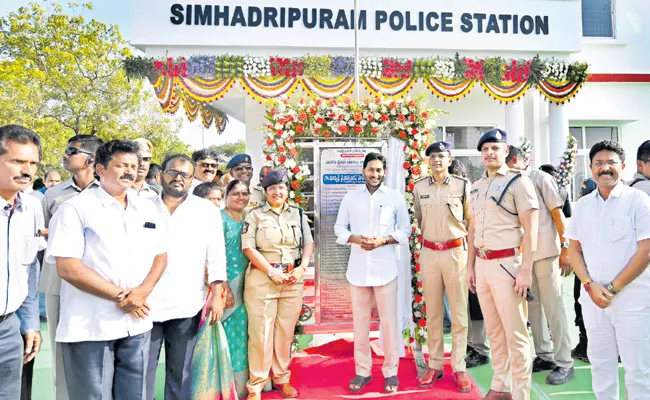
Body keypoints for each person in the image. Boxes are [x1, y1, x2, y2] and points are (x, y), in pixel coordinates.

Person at [46, 140, 168, 399]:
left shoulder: (147, 206)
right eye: (121, 165)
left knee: (134, 395)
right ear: (100, 169)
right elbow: (68, 268)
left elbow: (161, 255)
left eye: (133, 166)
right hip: (92, 324)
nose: (129, 172)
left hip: (137, 324)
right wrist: (122, 297)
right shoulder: (75, 208)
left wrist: (141, 293)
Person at [565, 140, 650, 400]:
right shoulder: (582, 206)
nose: (605, 168)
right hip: (593, 300)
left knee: (638, 372)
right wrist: (589, 285)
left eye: (611, 162)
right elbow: (574, 249)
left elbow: (646, 250)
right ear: (591, 168)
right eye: (599, 163)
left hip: (632, 300)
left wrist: (612, 288)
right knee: (601, 367)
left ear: (622, 167)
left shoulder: (638, 201)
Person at [466, 129, 539, 400]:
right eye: (485, 149)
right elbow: (472, 229)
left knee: (516, 334)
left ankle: (521, 394)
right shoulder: (475, 186)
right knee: (494, 331)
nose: (489, 153)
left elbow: (530, 229)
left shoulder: (519, 182)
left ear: (506, 151)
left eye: (495, 148)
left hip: (508, 264)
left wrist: (525, 270)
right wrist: (470, 267)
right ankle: (501, 386)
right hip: (483, 266)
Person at [146, 154, 226, 400]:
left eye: (185, 175)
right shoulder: (141, 205)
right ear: (161, 175)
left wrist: (216, 293)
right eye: (172, 172)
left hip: (186, 302)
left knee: (180, 374)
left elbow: (216, 253)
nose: (178, 178)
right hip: (146, 303)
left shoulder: (205, 210)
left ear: (192, 179)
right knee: (142, 373)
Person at [334, 153, 410, 394]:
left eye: (379, 170)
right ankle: (362, 371)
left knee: (389, 324)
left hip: (386, 270)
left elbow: (406, 229)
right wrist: (355, 239)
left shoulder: (395, 198)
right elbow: (339, 227)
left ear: (384, 171)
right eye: (371, 170)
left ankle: (391, 372)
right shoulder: (350, 197)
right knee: (360, 324)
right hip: (357, 270)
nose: (375, 174)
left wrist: (384, 240)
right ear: (363, 170)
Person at [40, 134, 103, 400]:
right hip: (58, 281)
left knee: (99, 346)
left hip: (99, 283)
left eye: (71, 151)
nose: (64, 155)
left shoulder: (109, 192)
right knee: (59, 347)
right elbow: (44, 236)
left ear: (91, 158)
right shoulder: (53, 194)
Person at [242, 169, 314, 400]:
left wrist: (302, 267)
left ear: (287, 190)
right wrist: (271, 272)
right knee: (261, 333)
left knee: (284, 333)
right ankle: (256, 385)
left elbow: (309, 244)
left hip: (292, 280)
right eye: (272, 188)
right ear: (265, 192)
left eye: (281, 187)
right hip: (263, 280)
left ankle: (282, 378)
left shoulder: (298, 214)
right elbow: (248, 247)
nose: (277, 192)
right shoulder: (254, 215)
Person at [507, 146, 575, 385]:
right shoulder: (510, 182)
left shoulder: (540, 178)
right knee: (533, 307)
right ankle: (544, 355)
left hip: (547, 252)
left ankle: (564, 361)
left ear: (514, 160)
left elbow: (558, 214)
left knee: (553, 307)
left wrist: (566, 248)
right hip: (524, 257)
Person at [413, 142, 472, 392]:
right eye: (432, 156)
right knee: (434, 313)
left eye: (441, 156)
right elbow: (419, 217)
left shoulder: (462, 185)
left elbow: (471, 220)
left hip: (456, 252)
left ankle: (459, 367)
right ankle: (435, 364)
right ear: (427, 161)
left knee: (458, 314)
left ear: (449, 159)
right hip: (429, 253)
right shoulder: (419, 187)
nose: (436, 160)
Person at [0, 125, 44, 400]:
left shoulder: (31, 208)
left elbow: (29, 268)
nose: (26, 170)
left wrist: (30, 322)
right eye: (17, 161)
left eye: (32, 163)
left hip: (8, 330)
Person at [221, 180, 253, 397]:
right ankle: (228, 388)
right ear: (226, 195)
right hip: (227, 285)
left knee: (246, 334)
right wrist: (224, 286)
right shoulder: (218, 219)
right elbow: (213, 255)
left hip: (250, 283)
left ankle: (247, 386)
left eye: (244, 193)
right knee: (229, 336)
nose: (240, 197)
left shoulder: (250, 217)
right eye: (235, 193)